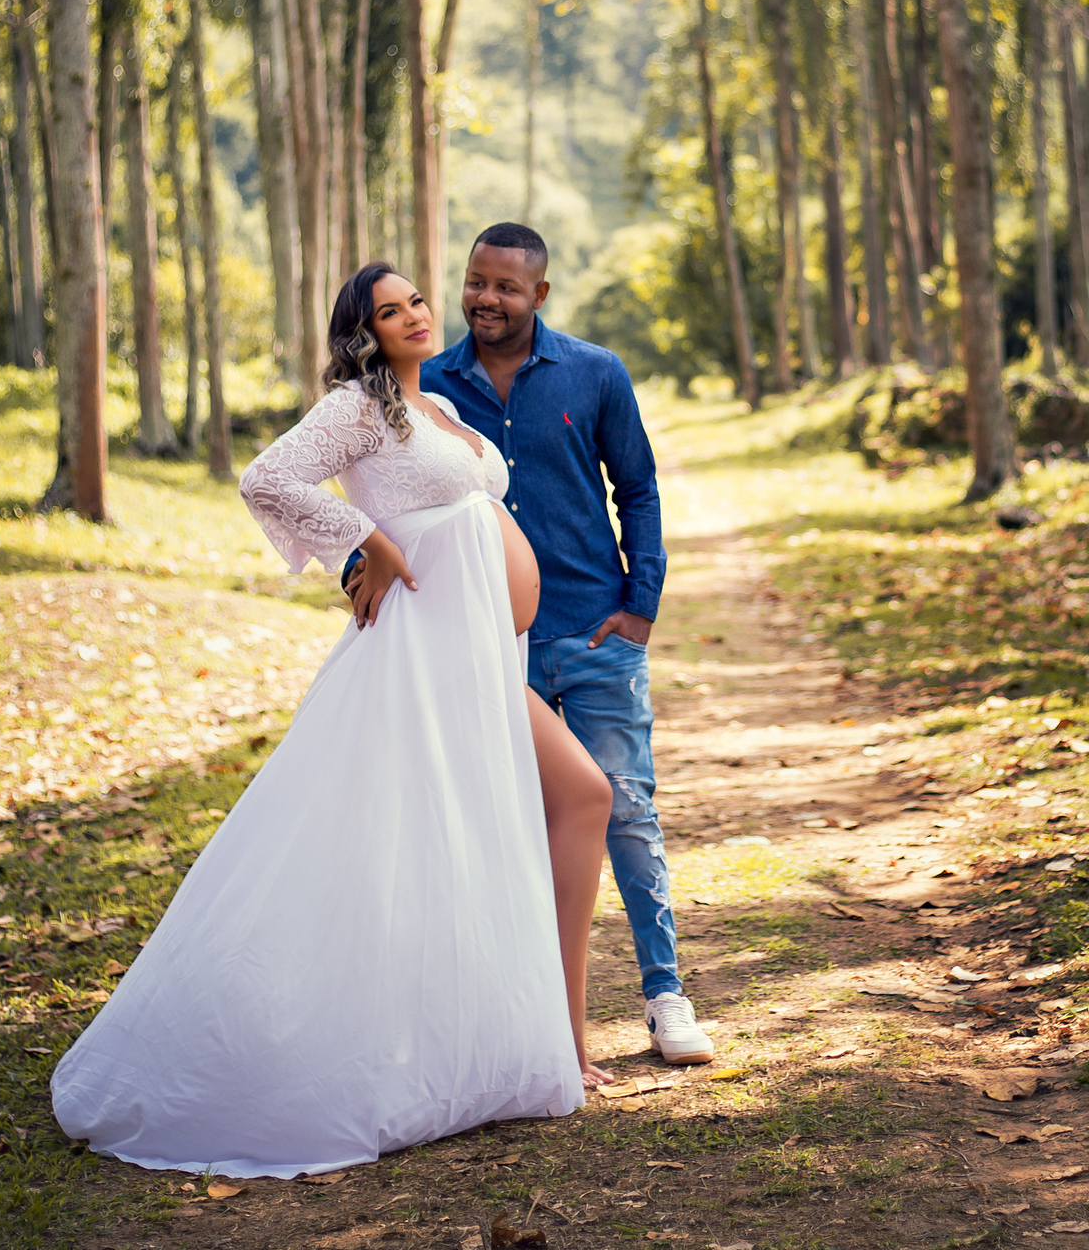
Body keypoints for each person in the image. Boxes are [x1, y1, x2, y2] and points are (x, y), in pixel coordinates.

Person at [49, 262, 611, 1181]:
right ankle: (474, 1051)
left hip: (479, 659)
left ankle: (556, 1046)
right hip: (423, 662)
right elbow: (266, 478)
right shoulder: (361, 406)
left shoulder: (444, 412)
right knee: (404, 845)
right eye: (390, 311)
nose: (415, 315)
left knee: (581, 798)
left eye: (416, 300)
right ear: (367, 332)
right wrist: (366, 540)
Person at [348, 224, 713, 1067]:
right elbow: (370, 484)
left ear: (539, 295)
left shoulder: (595, 372)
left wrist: (641, 606)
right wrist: (358, 551)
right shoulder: (425, 387)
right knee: (492, 824)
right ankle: (517, 1019)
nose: (486, 299)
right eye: (475, 281)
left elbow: (640, 490)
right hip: (480, 647)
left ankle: (665, 997)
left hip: (592, 632)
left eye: (507, 287)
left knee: (623, 808)